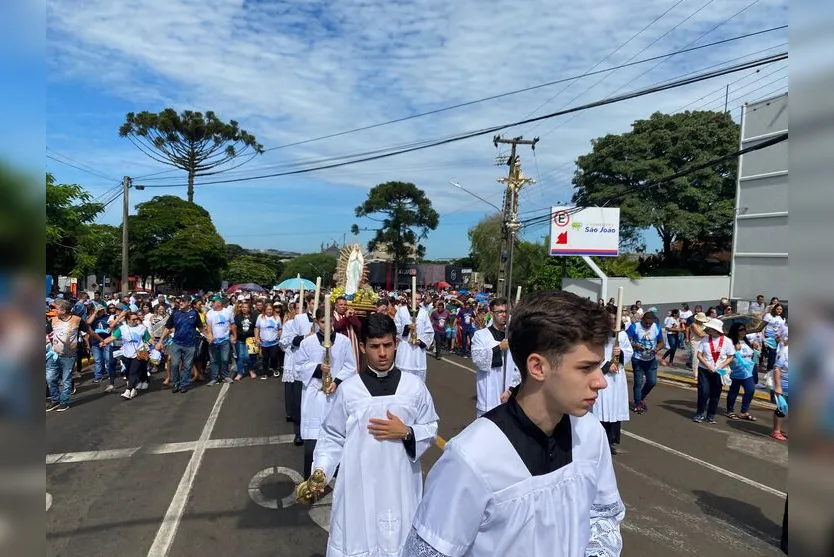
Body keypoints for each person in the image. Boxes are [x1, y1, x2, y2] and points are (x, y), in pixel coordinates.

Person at [402, 291, 625, 557]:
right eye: (586, 368)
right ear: (538, 367)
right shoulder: (472, 457)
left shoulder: (590, 434)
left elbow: (602, 518)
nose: (600, 381)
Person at [296, 313, 439, 557]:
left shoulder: (414, 387)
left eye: (387, 345)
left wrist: (407, 432)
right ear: (362, 347)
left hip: (400, 483)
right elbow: (332, 436)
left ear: (396, 343)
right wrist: (320, 470)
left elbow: (431, 427)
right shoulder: (350, 390)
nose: (382, 353)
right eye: (374, 347)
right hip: (359, 484)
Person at [295, 306, 357, 478]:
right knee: (313, 438)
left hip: (335, 394)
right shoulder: (307, 343)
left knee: (336, 435)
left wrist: (337, 382)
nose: (326, 326)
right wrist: (317, 368)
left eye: (330, 321)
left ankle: (336, 471)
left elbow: (350, 366)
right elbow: (298, 367)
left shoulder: (344, 341)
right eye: (323, 322)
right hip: (314, 395)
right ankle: (311, 476)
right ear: (317, 322)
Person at [591, 308, 633, 455]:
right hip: (601, 376)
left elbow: (629, 352)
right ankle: (596, 442)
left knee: (613, 410)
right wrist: (607, 366)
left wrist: (620, 354)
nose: (612, 322)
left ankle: (609, 441)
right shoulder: (596, 335)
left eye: (615, 319)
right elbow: (591, 353)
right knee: (599, 409)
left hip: (615, 379)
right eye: (609, 319)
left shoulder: (622, 335)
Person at [471, 298, 521, 418]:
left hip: (507, 394)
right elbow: (478, 360)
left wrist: (511, 390)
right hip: (489, 392)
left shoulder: (513, 337)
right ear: (492, 313)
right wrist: (499, 348)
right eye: (499, 312)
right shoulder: (481, 336)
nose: (503, 315)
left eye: (505, 311)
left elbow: (519, 367)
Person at [693, 318, 735, 424]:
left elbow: (730, 357)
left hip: (719, 371)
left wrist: (720, 366)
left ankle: (711, 415)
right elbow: (699, 354)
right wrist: (708, 366)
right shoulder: (705, 339)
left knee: (715, 394)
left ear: (716, 330)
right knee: (703, 392)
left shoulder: (727, 341)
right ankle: (699, 413)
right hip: (704, 370)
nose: (707, 330)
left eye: (709, 328)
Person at [626, 311, 664, 413]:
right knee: (638, 382)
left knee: (652, 382)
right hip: (637, 359)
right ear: (642, 320)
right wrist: (635, 345)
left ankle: (640, 397)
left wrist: (657, 348)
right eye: (646, 323)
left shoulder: (656, 327)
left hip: (651, 360)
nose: (648, 325)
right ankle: (638, 404)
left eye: (650, 323)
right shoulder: (634, 327)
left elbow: (661, 342)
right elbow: (627, 340)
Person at [393, 295, 434, 382]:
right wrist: (407, 327)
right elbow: (395, 328)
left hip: (418, 351)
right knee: (402, 376)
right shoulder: (401, 311)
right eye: (415, 299)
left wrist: (420, 342)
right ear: (409, 299)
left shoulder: (424, 313)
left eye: (419, 299)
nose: (417, 301)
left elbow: (429, 331)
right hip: (405, 348)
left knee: (418, 378)